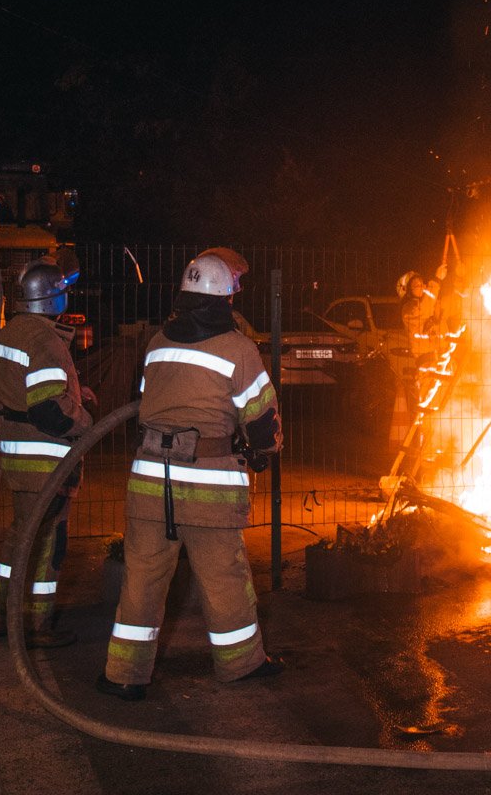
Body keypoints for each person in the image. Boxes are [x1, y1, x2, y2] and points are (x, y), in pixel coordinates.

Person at [96, 247, 284, 702]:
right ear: (226, 299)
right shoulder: (239, 350)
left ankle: (124, 674)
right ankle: (241, 664)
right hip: (209, 488)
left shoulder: (157, 343)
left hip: (149, 483)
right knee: (223, 578)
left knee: (141, 578)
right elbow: (262, 422)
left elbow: (143, 397)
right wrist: (262, 453)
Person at [0, 254, 94, 648]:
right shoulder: (45, 340)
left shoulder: (11, 332)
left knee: (20, 537)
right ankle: (36, 625)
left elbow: (27, 390)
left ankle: (2, 614)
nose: (67, 298)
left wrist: (74, 393)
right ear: (51, 300)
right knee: (48, 542)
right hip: (46, 460)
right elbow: (49, 410)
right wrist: (85, 421)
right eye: (64, 292)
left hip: (18, 456)